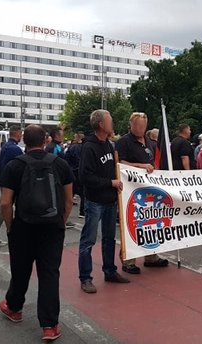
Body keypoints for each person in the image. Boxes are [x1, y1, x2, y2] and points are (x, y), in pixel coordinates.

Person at [0, 124, 73, 340]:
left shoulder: (14, 166)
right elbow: (68, 200)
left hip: (23, 226)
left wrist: (11, 226)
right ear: (45, 141)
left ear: (24, 141)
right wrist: (61, 221)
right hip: (52, 227)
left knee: (20, 269)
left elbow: (5, 203)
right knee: (49, 273)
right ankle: (49, 325)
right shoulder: (60, 164)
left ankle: (14, 308)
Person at [78, 110, 130, 294]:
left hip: (109, 201)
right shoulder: (89, 147)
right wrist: (110, 183)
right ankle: (85, 278)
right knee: (89, 240)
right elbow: (84, 177)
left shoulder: (109, 145)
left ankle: (110, 271)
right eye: (110, 120)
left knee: (109, 238)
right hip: (95, 201)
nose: (112, 123)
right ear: (101, 124)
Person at [117, 112, 170, 273]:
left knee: (151, 221)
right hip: (131, 192)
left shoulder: (148, 141)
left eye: (142, 126)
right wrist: (141, 166)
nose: (140, 128)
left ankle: (151, 256)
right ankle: (128, 261)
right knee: (132, 224)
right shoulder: (124, 142)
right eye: (137, 125)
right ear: (131, 125)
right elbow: (121, 162)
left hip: (148, 189)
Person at [0, 126, 23, 247]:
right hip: (12, 182)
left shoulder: (5, 146)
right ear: (18, 134)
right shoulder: (15, 149)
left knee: (5, 206)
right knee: (6, 207)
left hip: (4, 180)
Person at [65, 134, 85, 218]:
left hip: (71, 171)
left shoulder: (71, 147)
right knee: (83, 193)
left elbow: (66, 158)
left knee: (70, 193)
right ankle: (82, 212)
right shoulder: (84, 148)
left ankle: (65, 212)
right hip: (80, 172)